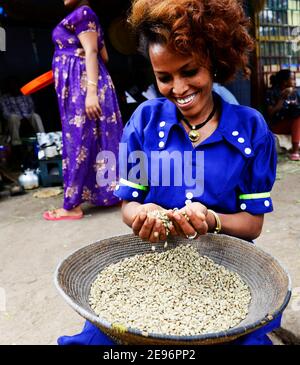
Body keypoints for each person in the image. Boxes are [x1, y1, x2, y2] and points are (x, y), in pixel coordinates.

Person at [58, 0, 279, 345]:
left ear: (215, 62)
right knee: (96, 340)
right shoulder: (143, 122)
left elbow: (253, 224)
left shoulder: (252, 129)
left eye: (189, 71)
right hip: (154, 262)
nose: (178, 89)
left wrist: (212, 221)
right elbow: (129, 206)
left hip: (225, 267)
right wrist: (142, 213)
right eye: (164, 77)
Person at [43, 0, 123, 220]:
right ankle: (110, 193)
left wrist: (90, 92)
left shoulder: (83, 13)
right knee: (93, 139)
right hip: (83, 86)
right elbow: (103, 56)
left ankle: (72, 206)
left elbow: (93, 51)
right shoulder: (86, 16)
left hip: (84, 87)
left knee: (78, 141)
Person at [265, 69, 300, 161]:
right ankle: (295, 152)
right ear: (285, 82)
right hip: (277, 125)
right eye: (292, 79)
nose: (294, 81)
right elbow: (271, 113)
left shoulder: (294, 92)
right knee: (297, 119)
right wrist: (282, 99)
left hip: (292, 124)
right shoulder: (271, 92)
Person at [0, 77, 45, 146]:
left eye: (16, 85)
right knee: (13, 117)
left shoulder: (26, 95)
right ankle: (16, 142)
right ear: (9, 87)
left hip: (27, 115)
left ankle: (43, 139)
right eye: (12, 85)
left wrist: (26, 116)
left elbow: (32, 107)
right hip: (14, 119)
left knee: (35, 116)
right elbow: (5, 113)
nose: (14, 87)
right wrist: (19, 118)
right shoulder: (3, 98)